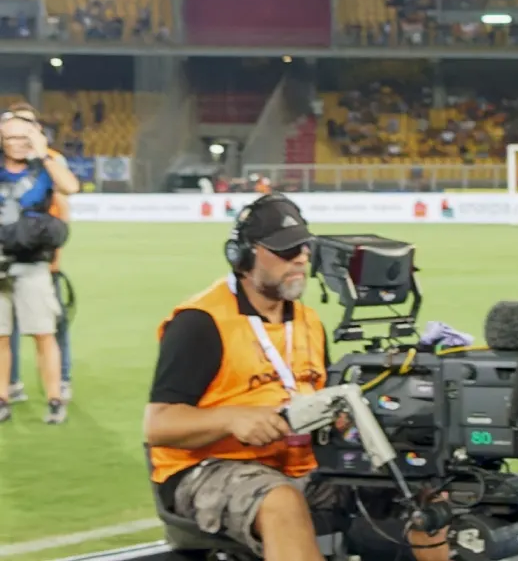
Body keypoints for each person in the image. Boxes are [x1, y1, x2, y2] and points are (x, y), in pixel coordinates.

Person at [143, 194, 444, 561]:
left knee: (421, 485)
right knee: (280, 501)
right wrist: (231, 418)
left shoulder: (309, 322)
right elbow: (158, 425)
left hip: (302, 463)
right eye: (286, 251)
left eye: (304, 247)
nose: (301, 258)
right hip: (209, 469)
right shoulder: (200, 323)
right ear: (244, 257)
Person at [0, 107, 79, 424]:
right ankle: (3, 397)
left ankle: (55, 398)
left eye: (24, 136)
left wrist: (42, 151)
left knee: (44, 334)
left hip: (32, 264)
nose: (18, 143)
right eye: (10, 138)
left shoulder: (43, 167)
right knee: (1, 338)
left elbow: (70, 187)